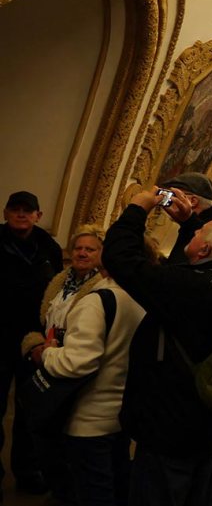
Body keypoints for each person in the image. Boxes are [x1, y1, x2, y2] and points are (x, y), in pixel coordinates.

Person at [102, 186, 212, 506]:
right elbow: (201, 259)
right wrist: (189, 223)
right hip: (206, 423)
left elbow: (121, 259)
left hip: (168, 427)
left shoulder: (188, 290)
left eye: (200, 231)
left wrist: (136, 208)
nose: (197, 229)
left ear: (205, 250)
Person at [22, 225, 146, 505]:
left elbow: (78, 362)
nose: (83, 253)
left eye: (91, 249)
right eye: (79, 248)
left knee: (92, 488)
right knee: (115, 480)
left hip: (89, 415)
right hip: (118, 409)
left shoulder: (97, 300)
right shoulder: (136, 295)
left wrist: (48, 354)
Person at [0, 190, 64, 497]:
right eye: (16, 209)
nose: (21, 214)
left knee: (29, 409)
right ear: (6, 213)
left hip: (32, 341)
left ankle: (27, 471)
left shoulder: (48, 247)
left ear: (38, 215)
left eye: (28, 210)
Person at [158, 172, 212, 265]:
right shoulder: (194, 223)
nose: (167, 201)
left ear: (192, 201)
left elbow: (182, 270)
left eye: (171, 196)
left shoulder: (210, 230)